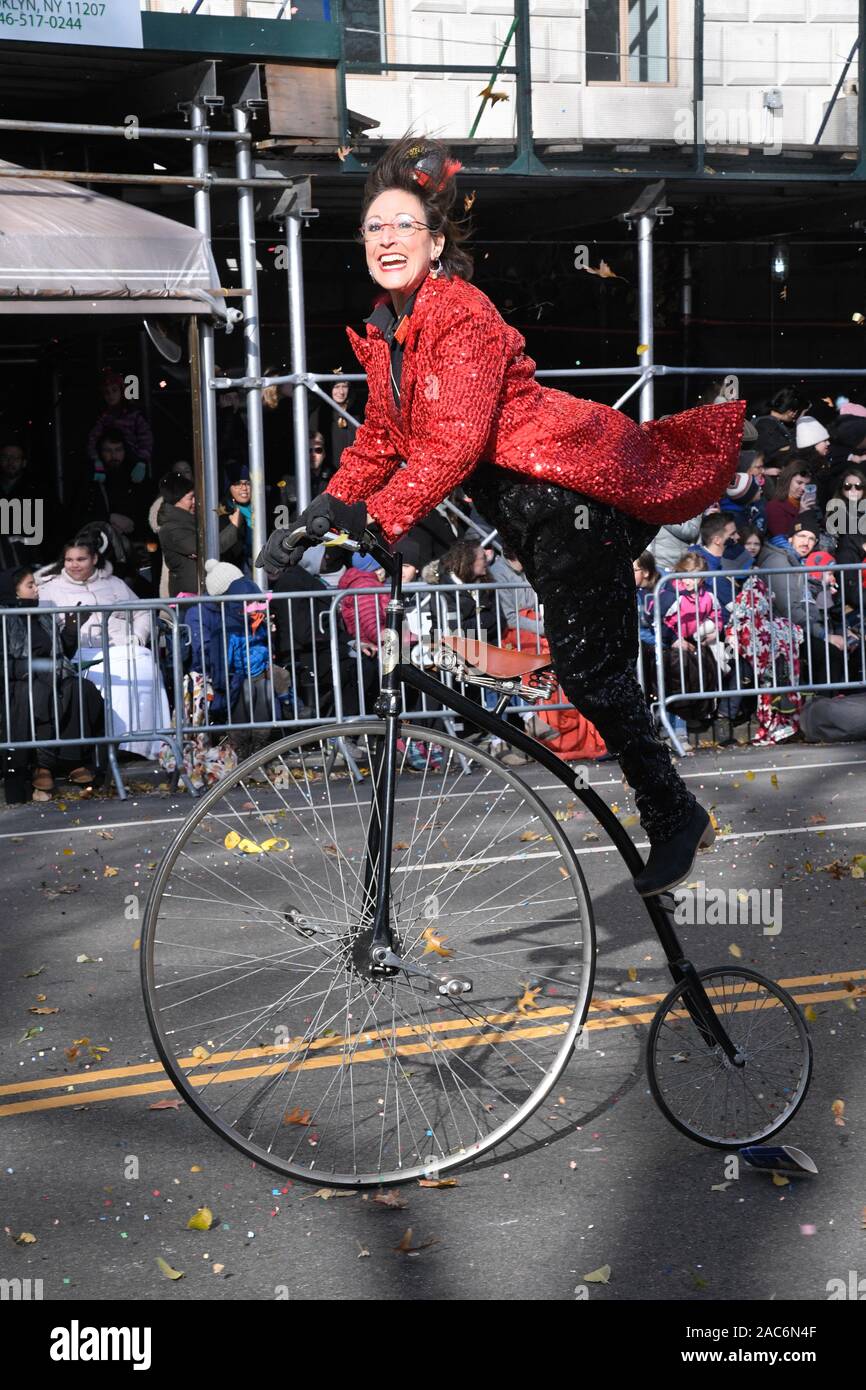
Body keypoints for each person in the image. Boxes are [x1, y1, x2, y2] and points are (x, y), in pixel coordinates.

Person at [257, 133, 745, 896]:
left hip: (574, 499)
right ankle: (671, 810)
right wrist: (319, 514)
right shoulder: (389, 331)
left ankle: (675, 814)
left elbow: (452, 444)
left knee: (593, 674)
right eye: (374, 227)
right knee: (585, 672)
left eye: (403, 226)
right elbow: (385, 437)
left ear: (438, 241)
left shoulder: (462, 314)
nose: (387, 239)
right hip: (533, 522)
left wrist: (379, 522)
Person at [35, 537, 169, 760]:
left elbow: (141, 611)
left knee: (144, 662)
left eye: (81, 559)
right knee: (116, 676)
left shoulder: (114, 583)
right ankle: (113, 743)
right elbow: (42, 625)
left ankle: (145, 744)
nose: (74, 565)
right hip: (81, 651)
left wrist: (137, 636)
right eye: (69, 560)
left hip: (123, 647)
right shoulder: (50, 589)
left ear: (94, 559)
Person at [0, 565, 104, 803]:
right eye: (30, 585)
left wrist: (71, 628)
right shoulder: (4, 619)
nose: (36, 589)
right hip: (20, 681)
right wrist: (26, 670)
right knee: (40, 693)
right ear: (14, 592)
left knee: (81, 689)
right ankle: (42, 766)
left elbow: (61, 652)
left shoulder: (43, 615)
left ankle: (73, 761)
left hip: (55, 673)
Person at [156, 470, 244, 596]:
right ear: (176, 501)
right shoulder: (171, 529)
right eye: (190, 498)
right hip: (191, 599)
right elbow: (208, 549)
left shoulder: (195, 520)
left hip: (206, 594)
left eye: (194, 497)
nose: (194, 502)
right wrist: (234, 526)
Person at [86, 370, 153, 472]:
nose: (111, 395)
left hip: (133, 464)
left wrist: (141, 461)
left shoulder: (134, 415)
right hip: (110, 466)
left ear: (121, 391)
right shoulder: (103, 418)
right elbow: (92, 439)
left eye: (114, 390)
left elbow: (146, 438)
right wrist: (96, 460)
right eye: (106, 392)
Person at [763, 459, 812, 538]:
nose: (803, 488)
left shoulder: (807, 504)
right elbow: (782, 538)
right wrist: (801, 514)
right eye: (799, 483)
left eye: (807, 484)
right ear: (788, 480)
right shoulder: (774, 506)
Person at [752, 386, 805, 459]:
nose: (796, 414)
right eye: (797, 410)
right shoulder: (766, 424)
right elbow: (779, 451)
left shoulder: (773, 422)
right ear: (790, 410)